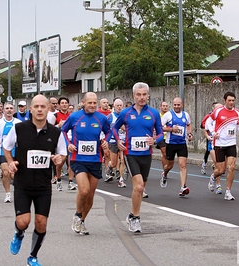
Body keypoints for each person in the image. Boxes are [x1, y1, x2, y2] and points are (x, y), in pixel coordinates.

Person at [5, 95, 66, 266]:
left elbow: (62, 153)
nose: (39, 110)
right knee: (23, 222)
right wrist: (10, 163)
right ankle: (18, 233)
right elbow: (6, 146)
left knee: (41, 223)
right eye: (36, 106)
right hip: (23, 184)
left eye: (43, 107)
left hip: (43, 186)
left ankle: (33, 256)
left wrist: (59, 160)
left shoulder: (56, 132)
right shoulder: (19, 128)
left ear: (48, 109)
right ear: (30, 109)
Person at [110, 82, 164, 233]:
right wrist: (118, 141)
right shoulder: (126, 113)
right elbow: (114, 128)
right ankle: (136, 219)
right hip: (130, 153)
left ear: (148, 95)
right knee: (138, 186)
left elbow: (160, 134)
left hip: (146, 154)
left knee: (141, 189)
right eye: (138, 95)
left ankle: (132, 214)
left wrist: (154, 140)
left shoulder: (153, 113)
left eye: (144, 94)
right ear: (133, 96)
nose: (141, 97)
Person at [61, 92, 110, 235]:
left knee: (90, 195)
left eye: (95, 103)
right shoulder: (75, 116)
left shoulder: (101, 118)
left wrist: (106, 141)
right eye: (90, 103)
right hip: (78, 159)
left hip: (95, 160)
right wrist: (68, 144)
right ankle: (77, 214)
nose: (93, 105)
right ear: (83, 102)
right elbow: (63, 131)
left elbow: (109, 132)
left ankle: (82, 220)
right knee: (84, 190)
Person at [207, 91, 239, 201]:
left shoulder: (237, 113)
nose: (231, 102)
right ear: (225, 101)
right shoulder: (218, 111)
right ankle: (213, 177)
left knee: (232, 167)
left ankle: (228, 191)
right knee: (221, 170)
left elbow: (238, 126)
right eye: (229, 100)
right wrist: (212, 132)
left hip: (231, 143)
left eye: (233, 100)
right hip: (219, 143)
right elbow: (208, 122)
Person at [160, 97, 193, 197]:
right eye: (175, 105)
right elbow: (160, 127)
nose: (177, 106)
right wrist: (170, 130)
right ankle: (164, 174)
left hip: (182, 143)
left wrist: (189, 134)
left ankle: (183, 187)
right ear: (172, 105)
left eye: (178, 105)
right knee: (169, 166)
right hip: (171, 143)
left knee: (183, 165)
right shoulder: (168, 115)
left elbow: (188, 124)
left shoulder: (185, 115)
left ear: (181, 105)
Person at [0, 103, 21, 202]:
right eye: (7, 108)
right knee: (5, 172)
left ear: (13, 111)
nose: (9, 110)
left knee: (14, 174)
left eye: (11, 108)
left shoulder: (18, 123)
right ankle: (8, 194)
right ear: (3, 111)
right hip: (2, 151)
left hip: (16, 152)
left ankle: (19, 190)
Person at [105, 98, 127, 188]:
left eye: (120, 105)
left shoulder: (126, 116)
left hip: (123, 141)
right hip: (113, 141)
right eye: (117, 105)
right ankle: (109, 169)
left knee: (122, 160)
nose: (119, 107)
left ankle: (121, 180)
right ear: (114, 106)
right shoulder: (110, 117)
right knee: (114, 163)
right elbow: (105, 129)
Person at [204, 103, 223, 194]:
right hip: (212, 144)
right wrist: (208, 137)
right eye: (218, 108)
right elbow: (205, 131)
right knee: (218, 164)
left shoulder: (224, 118)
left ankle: (213, 177)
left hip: (223, 144)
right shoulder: (210, 119)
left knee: (223, 168)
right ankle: (218, 185)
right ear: (213, 109)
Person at [200, 102, 219, 175]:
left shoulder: (220, 116)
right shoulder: (209, 116)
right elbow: (202, 125)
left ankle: (215, 165)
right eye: (215, 108)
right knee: (208, 151)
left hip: (218, 137)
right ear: (213, 108)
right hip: (210, 136)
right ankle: (204, 164)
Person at [156, 101, 169, 179]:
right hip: (161, 137)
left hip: (169, 137)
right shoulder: (158, 116)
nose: (165, 107)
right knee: (164, 153)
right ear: (160, 107)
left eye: (166, 106)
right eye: (163, 106)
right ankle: (165, 171)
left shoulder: (170, 115)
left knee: (168, 155)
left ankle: (167, 169)